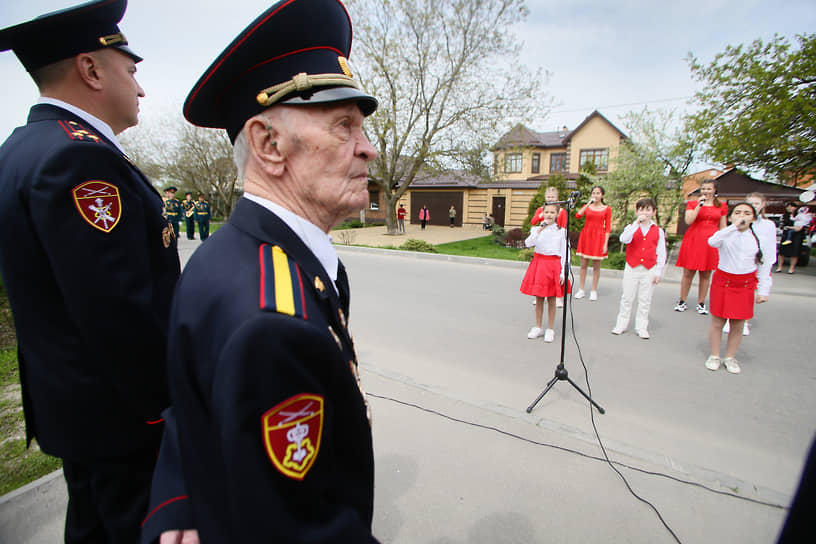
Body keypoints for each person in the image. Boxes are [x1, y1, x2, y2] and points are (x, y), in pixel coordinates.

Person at [143, 1, 380, 541]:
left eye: (362, 127)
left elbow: (190, 407)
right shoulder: (273, 319)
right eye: (344, 125)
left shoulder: (227, 255)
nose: (368, 148)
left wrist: (178, 503)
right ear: (269, 145)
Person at [0, 2, 180, 542]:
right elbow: (117, 309)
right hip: (123, 421)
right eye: (132, 69)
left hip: (74, 409)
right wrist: (170, 411)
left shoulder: (22, 148)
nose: (141, 89)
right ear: (92, 69)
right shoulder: (80, 158)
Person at [704, 202, 773, 374]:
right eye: (738, 212)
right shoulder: (726, 235)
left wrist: (764, 290)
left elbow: (765, 265)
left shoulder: (758, 239)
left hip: (745, 283)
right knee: (718, 321)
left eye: (747, 213)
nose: (742, 216)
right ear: (731, 216)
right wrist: (732, 227)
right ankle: (714, 355)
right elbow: (712, 241)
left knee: (738, 323)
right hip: (723, 280)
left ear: (753, 218)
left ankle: (730, 357)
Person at [611, 198, 667, 339]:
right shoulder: (631, 227)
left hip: (649, 268)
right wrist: (636, 224)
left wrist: (658, 271)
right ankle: (621, 324)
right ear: (636, 211)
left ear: (653, 212)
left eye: (648, 209)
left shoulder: (658, 231)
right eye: (641, 209)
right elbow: (624, 239)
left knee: (645, 299)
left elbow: (661, 252)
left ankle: (642, 326)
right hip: (632, 266)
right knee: (627, 297)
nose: (644, 212)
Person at [723, 192, 776, 336]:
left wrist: (764, 288)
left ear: (762, 206)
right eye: (750, 203)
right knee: (732, 291)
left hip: (756, 262)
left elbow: (769, 252)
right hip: (736, 264)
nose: (753, 206)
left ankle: (744, 321)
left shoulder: (768, 225)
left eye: (757, 204)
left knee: (747, 293)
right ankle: (729, 317)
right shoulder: (736, 224)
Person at [674, 179, 728, 314]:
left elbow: (723, 226)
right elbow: (688, 220)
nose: (706, 191)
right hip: (694, 239)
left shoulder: (721, 206)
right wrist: (699, 205)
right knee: (688, 273)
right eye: (703, 189)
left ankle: (701, 302)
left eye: (709, 189)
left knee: (706, 274)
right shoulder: (693, 203)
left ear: (715, 190)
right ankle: (682, 300)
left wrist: (725, 242)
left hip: (711, 241)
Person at [520, 203, 568, 342]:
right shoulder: (536, 229)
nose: (549, 215)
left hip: (553, 265)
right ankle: (538, 326)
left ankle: (550, 328)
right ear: (543, 213)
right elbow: (528, 243)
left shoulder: (561, 231)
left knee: (552, 298)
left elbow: (565, 252)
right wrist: (539, 229)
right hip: (539, 264)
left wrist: (563, 272)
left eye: (552, 212)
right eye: (546, 212)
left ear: (557, 214)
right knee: (539, 297)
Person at [531, 185, 567, 307]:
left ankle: (557, 297)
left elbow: (562, 225)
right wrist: (542, 215)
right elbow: (533, 222)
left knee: (554, 276)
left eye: (553, 197)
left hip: (555, 239)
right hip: (542, 239)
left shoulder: (561, 212)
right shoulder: (541, 210)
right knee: (541, 274)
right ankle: (539, 295)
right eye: (549, 196)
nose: (551, 198)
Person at [574, 185, 612, 300]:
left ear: (602, 195)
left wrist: (605, 244)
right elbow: (578, 215)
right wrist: (588, 204)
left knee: (596, 266)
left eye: (598, 193)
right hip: (586, 236)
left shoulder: (607, 209)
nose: (595, 195)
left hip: (599, 237)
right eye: (594, 193)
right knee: (583, 265)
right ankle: (581, 289)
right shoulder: (588, 206)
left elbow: (608, 228)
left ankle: (594, 290)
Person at [777, 202, 807, 273]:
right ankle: (779, 267)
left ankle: (791, 269)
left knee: (794, 253)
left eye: (791, 207)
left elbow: (800, 227)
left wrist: (792, 227)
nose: (789, 208)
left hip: (796, 236)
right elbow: (781, 226)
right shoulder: (784, 216)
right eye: (788, 207)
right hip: (786, 235)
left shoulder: (800, 216)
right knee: (781, 252)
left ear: (795, 208)